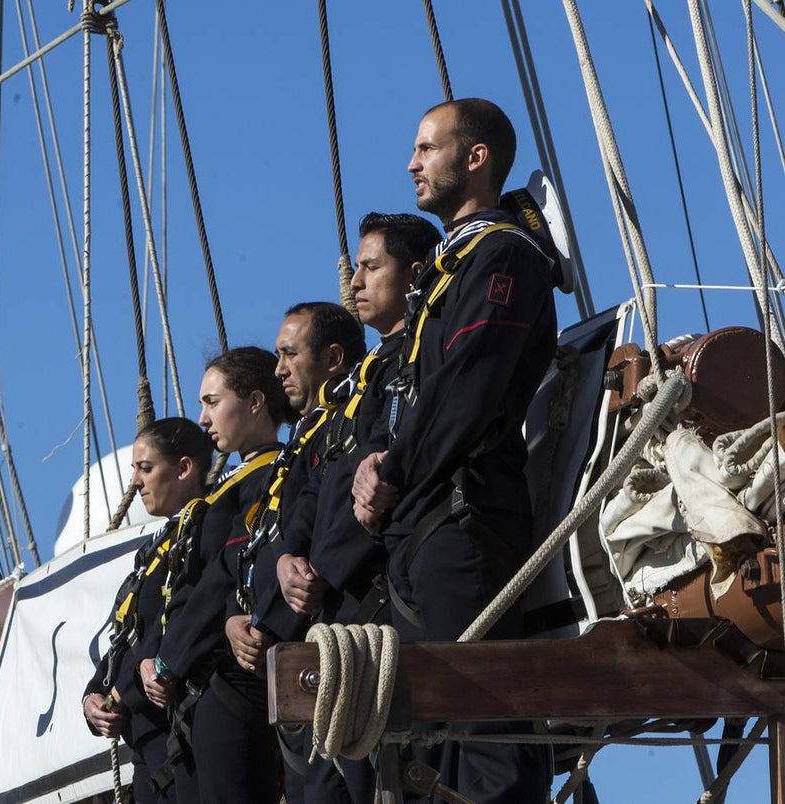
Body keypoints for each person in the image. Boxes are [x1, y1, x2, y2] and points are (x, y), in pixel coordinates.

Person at [353, 97, 559, 803]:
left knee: (485, 737)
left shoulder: (502, 255)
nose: (411, 163)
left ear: (475, 159)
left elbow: (468, 387)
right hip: (421, 523)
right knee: (431, 746)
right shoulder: (450, 268)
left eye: (426, 148)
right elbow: (415, 387)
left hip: (463, 519)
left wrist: (395, 468)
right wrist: (374, 462)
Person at [262, 218, 439, 804]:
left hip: (376, 598)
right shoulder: (345, 406)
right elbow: (313, 500)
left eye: (370, 269)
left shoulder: (418, 354)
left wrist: (381, 462)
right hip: (329, 617)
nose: (355, 283)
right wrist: (287, 557)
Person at [221, 302, 366, 803]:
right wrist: (239, 618)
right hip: (297, 655)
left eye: (288, 354)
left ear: (331, 358)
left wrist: (285, 596)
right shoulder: (304, 439)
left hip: (339, 637)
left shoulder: (353, 418)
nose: (279, 367)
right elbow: (269, 541)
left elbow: (335, 517)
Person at [150, 346, 296, 804]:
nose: (203, 417)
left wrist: (166, 660)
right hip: (198, 684)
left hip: (226, 678)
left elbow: (221, 575)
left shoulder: (266, 475)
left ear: (254, 402)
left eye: (213, 402)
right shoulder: (232, 483)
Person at [82, 417, 214, 803]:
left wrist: (128, 686)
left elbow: (180, 616)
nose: (136, 482)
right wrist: (94, 695)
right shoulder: (154, 550)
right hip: (146, 746)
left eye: (146, 468)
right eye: (134, 470)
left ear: (184, 468)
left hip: (178, 737)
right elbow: (128, 635)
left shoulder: (206, 527)